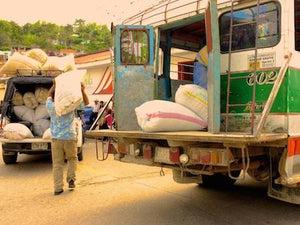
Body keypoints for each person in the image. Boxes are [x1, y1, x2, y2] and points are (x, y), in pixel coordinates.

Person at [46, 79, 89, 195]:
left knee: (57, 164)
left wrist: (54, 86)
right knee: (72, 159)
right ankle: (71, 179)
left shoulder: (51, 106)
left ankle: (58, 188)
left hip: (56, 139)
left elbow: (48, 96)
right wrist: (82, 90)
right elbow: (86, 102)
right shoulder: (70, 105)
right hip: (70, 137)